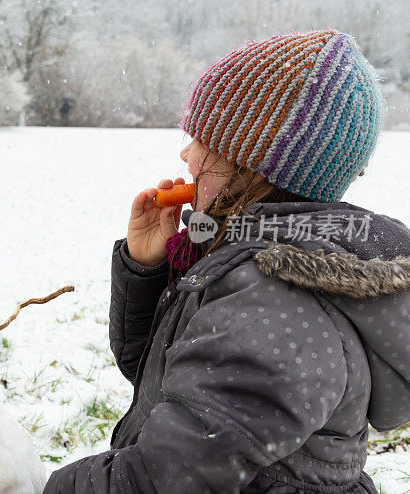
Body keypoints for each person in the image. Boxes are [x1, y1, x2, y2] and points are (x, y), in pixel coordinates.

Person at [43, 28, 410, 493]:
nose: (186, 154)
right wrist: (148, 269)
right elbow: (165, 384)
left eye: (203, 141)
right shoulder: (253, 259)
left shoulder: (277, 299)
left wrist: (32, 485)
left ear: (254, 164)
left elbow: (164, 480)